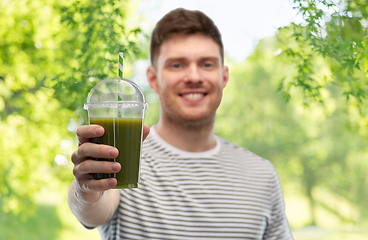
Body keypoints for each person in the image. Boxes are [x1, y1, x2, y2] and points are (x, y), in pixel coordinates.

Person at [68, 8, 293, 239]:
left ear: (223, 77)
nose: (194, 76)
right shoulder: (123, 157)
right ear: (153, 79)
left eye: (207, 64)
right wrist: (86, 191)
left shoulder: (262, 175)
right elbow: (92, 211)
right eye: (177, 65)